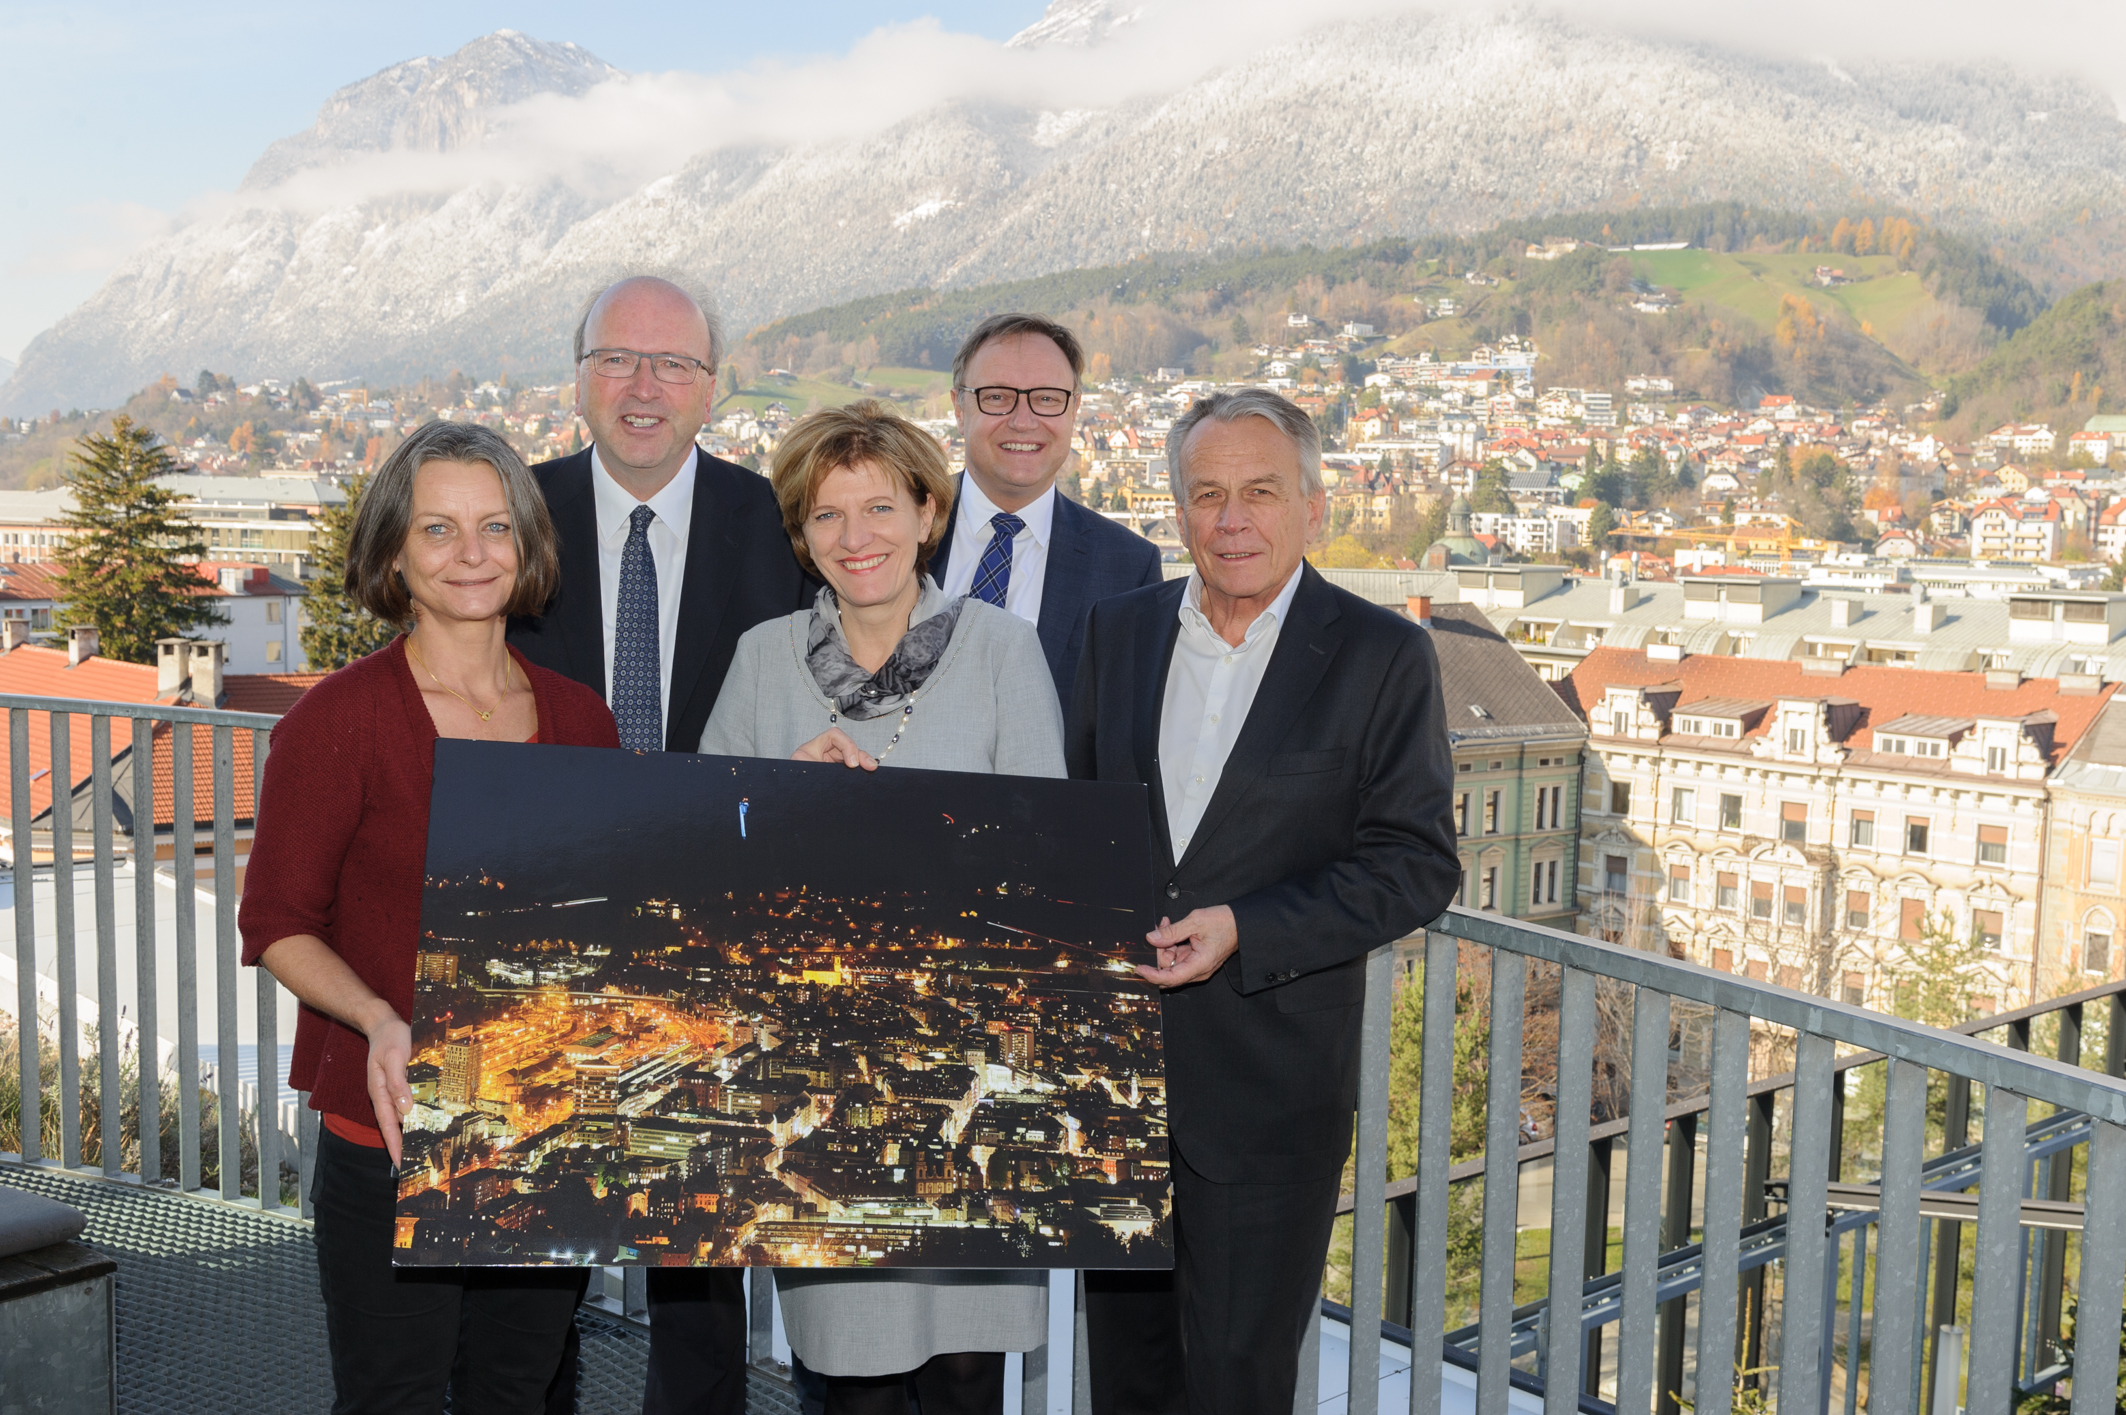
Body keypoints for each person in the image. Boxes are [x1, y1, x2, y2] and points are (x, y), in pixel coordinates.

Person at [1066, 389, 1460, 1415]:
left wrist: (1246, 926)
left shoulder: (1381, 655)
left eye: (1257, 492)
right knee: (1125, 1373)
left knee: (1237, 1382)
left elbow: (1414, 863)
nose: (1230, 519)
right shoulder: (1115, 633)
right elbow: (1061, 820)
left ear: (1313, 507)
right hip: (1114, 1087)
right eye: (1205, 494)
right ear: (1177, 509)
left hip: (1267, 1089)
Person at [240, 421, 622, 1414]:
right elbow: (277, 918)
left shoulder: (583, 719)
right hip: (390, 1125)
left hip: (543, 1124)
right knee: (393, 1396)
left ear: (529, 544)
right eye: (439, 528)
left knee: (518, 1386)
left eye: (495, 525)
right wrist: (374, 1017)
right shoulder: (337, 720)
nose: (471, 553)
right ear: (393, 551)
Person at [700, 398, 1063, 1414]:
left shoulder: (1001, 651)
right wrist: (775, 793)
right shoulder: (762, 660)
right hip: (823, 1086)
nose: (854, 537)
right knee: (847, 1382)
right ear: (801, 535)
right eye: (826, 515)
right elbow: (697, 860)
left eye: (878, 507)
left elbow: (1040, 868)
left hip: (964, 1080)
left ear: (927, 514)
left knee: (961, 1381)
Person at [506, 274, 810, 1415]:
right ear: (578, 375)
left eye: (672, 364)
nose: (643, 387)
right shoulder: (511, 517)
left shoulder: (776, 525)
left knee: (699, 1259)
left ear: (710, 388)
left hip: (719, 935)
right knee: (532, 1246)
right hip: (541, 926)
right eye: (617, 360)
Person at [928, 313, 1163, 710]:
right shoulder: (885, 531)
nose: (1023, 421)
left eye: (1047, 399)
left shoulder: (1129, 568)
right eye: (998, 396)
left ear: (1074, 410)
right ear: (959, 407)